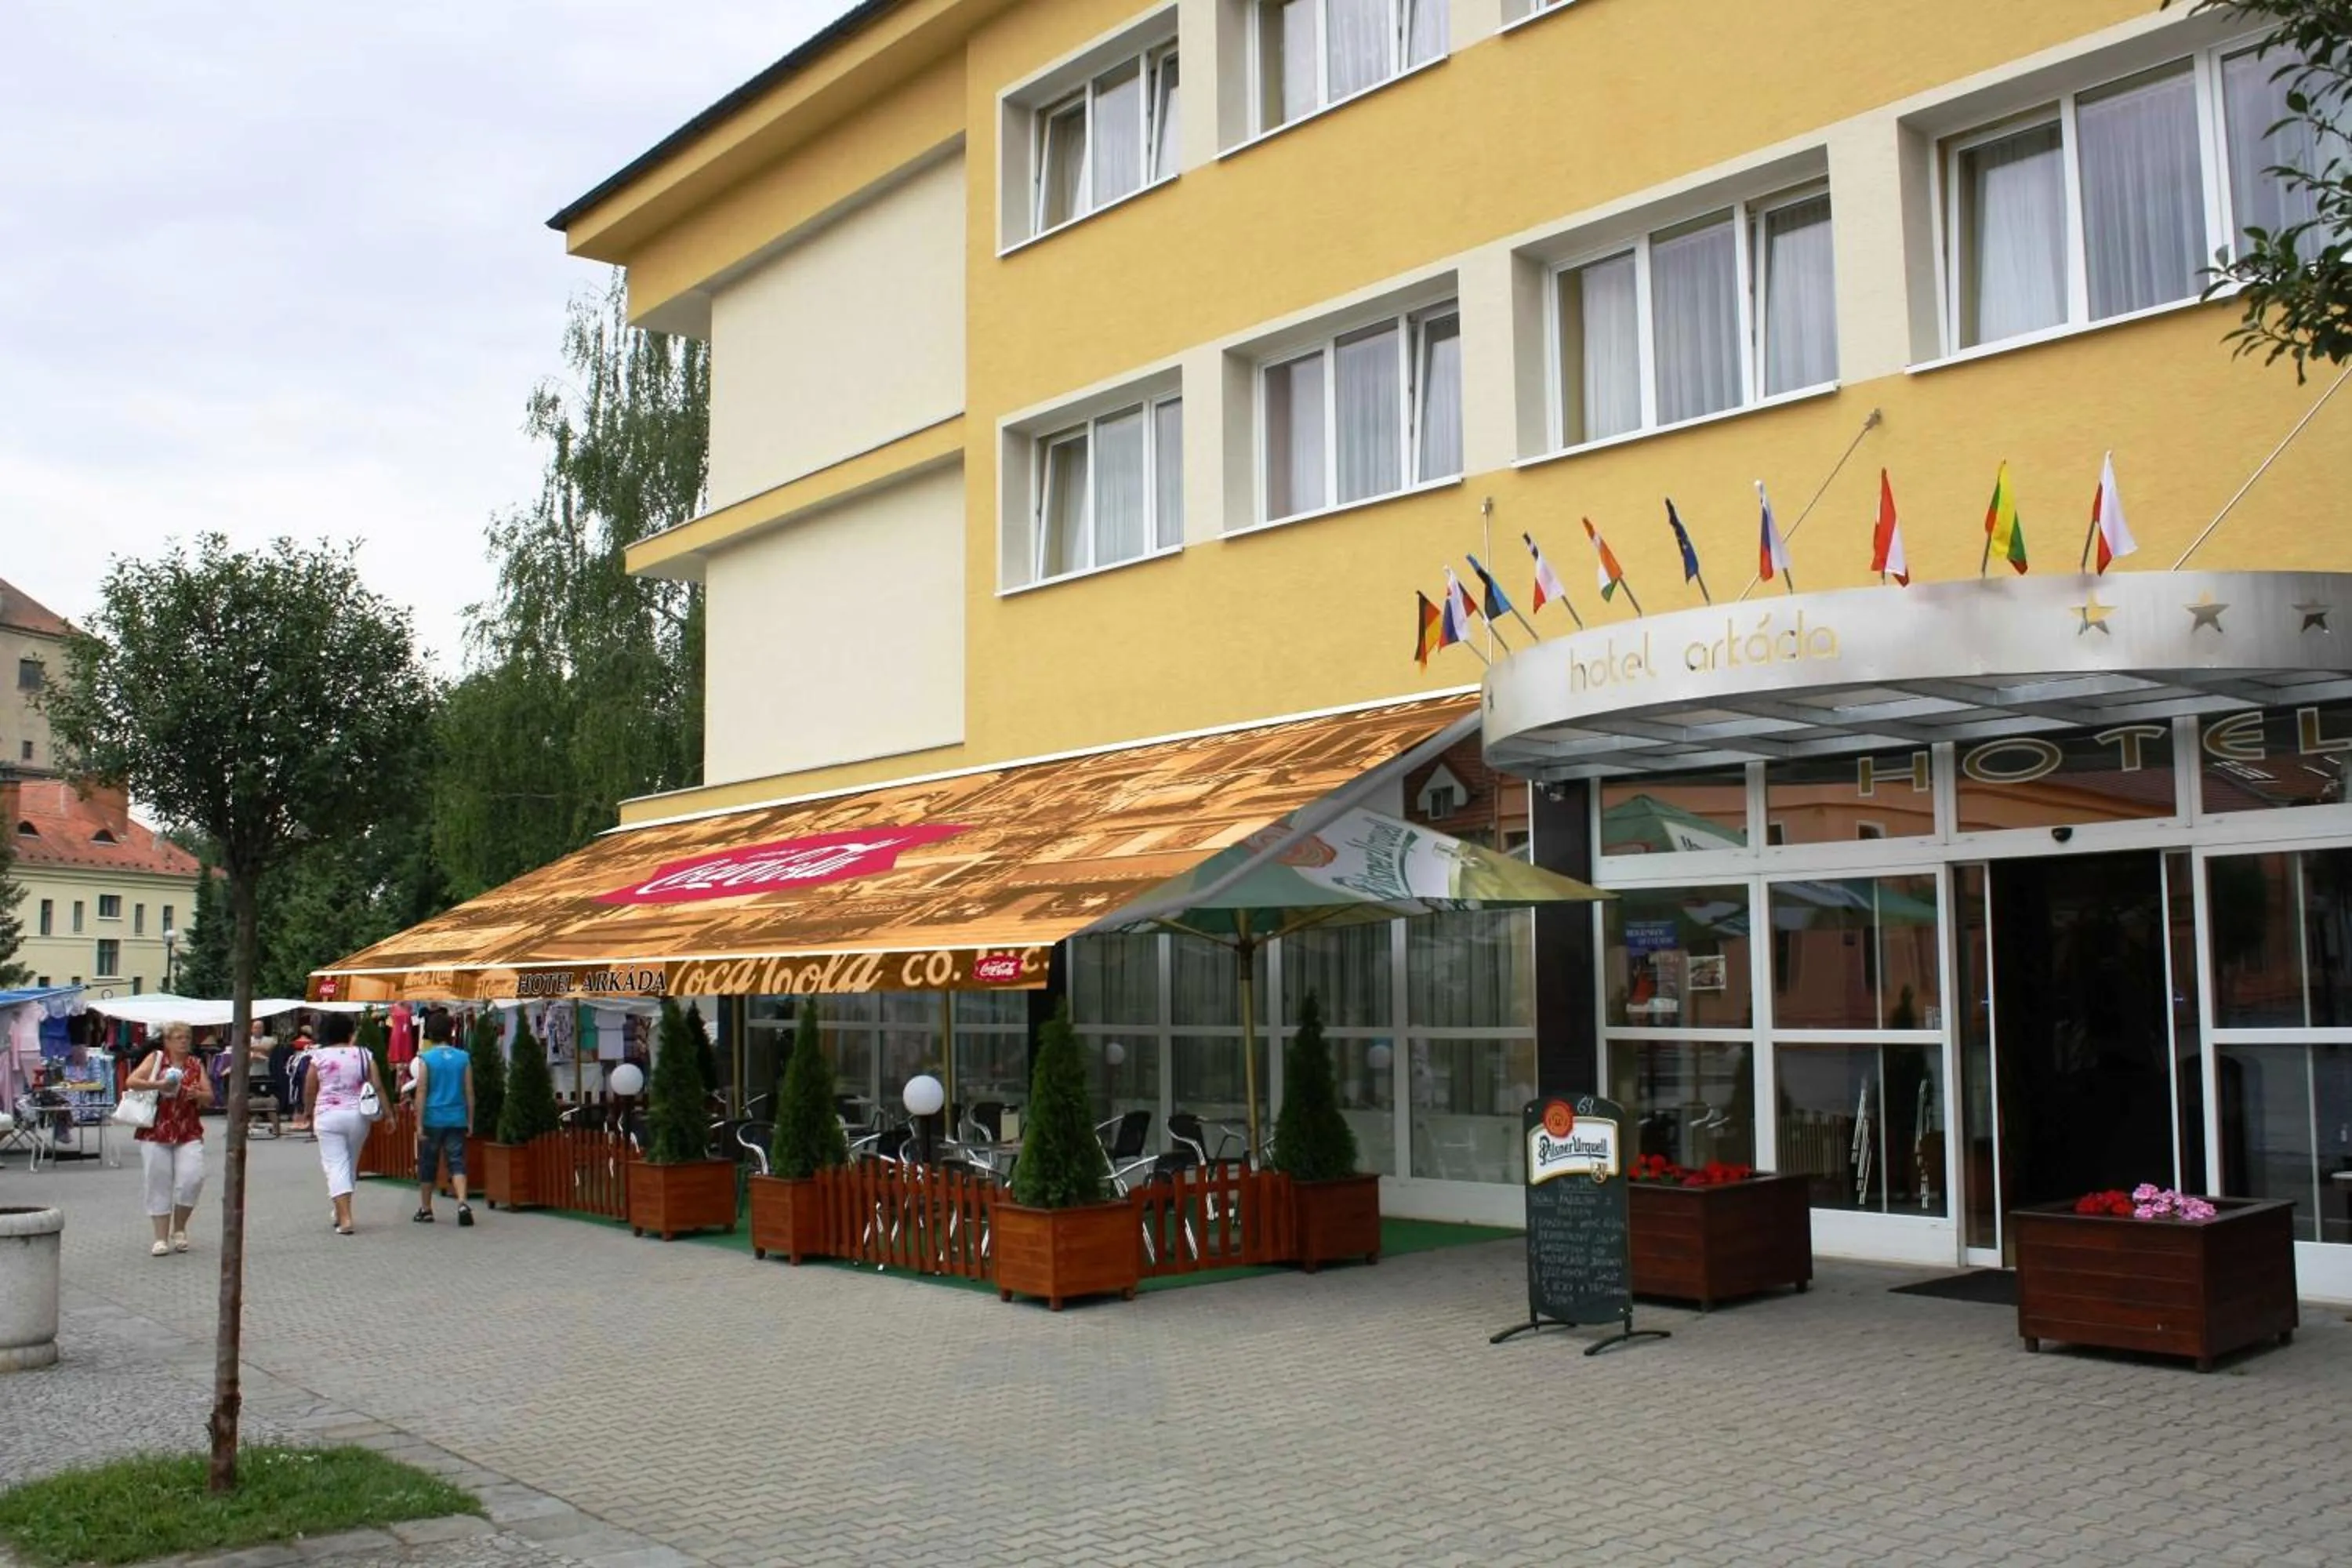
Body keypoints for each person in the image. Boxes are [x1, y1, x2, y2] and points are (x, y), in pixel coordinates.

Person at [126, 1022, 212, 1256]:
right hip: (156, 1130)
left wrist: (197, 1095)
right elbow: (131, 1081)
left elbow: (209, 1097)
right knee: (158, 1182)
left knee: (192, 1178)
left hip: (188, 1130)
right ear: (167, 1041)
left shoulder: (195, 1064)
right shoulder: (156, 1059)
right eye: (178, 1037)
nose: (183, 1041)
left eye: (186, 1037)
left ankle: (180, 1228)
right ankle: (160, 1238)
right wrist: (158, 1084)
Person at [303, 1014, 382, 1236]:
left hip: (328, 1115)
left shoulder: (318, 1056)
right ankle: (340, 1211)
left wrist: (307, 1112)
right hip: (358, 1116)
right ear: (350, 1032)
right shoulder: (364, 1054)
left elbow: (310, 1087)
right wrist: (390, 1114)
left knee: (335, 1165)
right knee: (350, 1164)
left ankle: (346, 1218)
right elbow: (377, 1085)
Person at [410, 1007, 475, 1226]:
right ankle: (463, 1202)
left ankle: (426, 1208)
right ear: (450, 1031)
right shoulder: (463, 1058)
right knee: (457, 1162)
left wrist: (419, 1123)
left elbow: (421, 1091)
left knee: (428, 1163)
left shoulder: (426, 1059)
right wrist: (470, 1120)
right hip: (456, 1117)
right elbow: (469, 1091)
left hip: (432, 1118)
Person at [244, 1021, 282, 1138]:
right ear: (251, 1029)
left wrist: (252, 1049)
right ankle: (251, 1122)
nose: (258, 1030)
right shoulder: (247, 1039)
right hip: (250, 1074)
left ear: (264, 1029)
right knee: (252, 1097)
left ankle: (275, 1127)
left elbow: (268, 1049)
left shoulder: (270, 1039)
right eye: (255, 1027)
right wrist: (256, 1053)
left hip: (266, 1074)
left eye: (260, 1027)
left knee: (268, 1099)